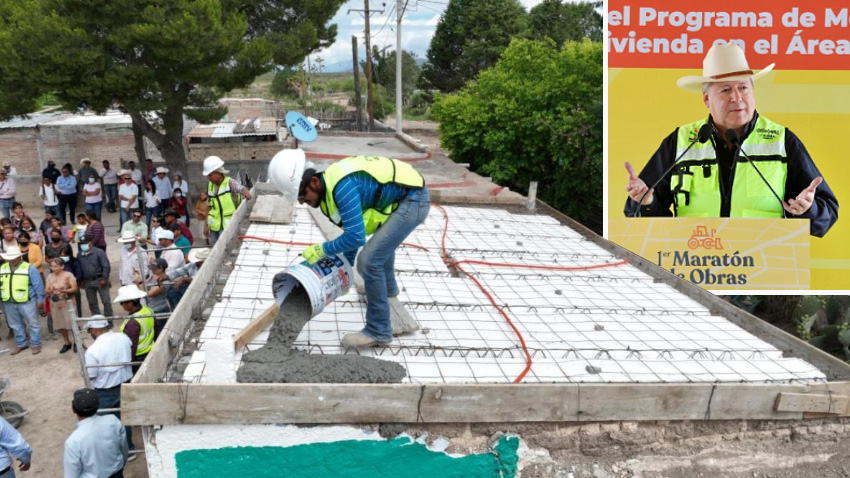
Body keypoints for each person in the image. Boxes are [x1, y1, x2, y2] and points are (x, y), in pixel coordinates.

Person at [623, 42, 839, 238]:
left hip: (761, 267)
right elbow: (640, 216)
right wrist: (646, 201)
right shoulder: (681, 140)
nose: (737, 97)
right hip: (693, 263)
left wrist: (807, 210)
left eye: (743, 88)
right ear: (707, 99)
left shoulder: (783, 141)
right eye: (726, 90)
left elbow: (826, 216)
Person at [269, 149, 430, 347]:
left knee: (369, 261)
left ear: (314, 182)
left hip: (413, 199)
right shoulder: (329, 190)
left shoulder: (342, 189)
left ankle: (378, 330)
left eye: (302, 195)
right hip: (404, 195)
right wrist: (343, 270)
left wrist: (322, 249)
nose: (302, 202)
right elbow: (351, 231)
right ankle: (387, 290)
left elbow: (355, 237)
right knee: (380, 248)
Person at [84, 317, 136, 456]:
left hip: (106, 391)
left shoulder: (93, 350)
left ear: (94, 330)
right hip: (126, 384)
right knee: (124, 419)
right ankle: (129, 449)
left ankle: (113, 453)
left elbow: (91, 374)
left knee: (105, 424)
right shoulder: (122, 337)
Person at [63, 388, 128, 478]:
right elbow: (124, 448)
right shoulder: (113, 421)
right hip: (117, 474)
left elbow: (71, 475)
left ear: (73, 409)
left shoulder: (73, 442)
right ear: (98, 405)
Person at [0, 245, 45, 355]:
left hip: (27, 300)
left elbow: (38, 285)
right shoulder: (2, 268)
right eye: (10, 258)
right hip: (8, 301)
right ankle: (21, 344)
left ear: (20, 257)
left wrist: (40, 299)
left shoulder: (30, 268)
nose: (12, 260)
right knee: (15, 324)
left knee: (33, 323)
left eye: (14, 257)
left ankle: (35, 343)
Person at [202, 156, 252, 245]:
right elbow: (209, 206)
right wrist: (206, 225)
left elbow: (241, 188)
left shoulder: (230, 183)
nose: (208, 178)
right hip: (214, 226)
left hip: (227, 226)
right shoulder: (210, 185)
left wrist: (245, 192)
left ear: (218, 173)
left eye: (210, 175)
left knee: (224, 247)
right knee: (214, 247)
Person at [112, 285, 154, 373]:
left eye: (122, 303)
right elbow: (155, 330)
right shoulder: (148, 310)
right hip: (150, 350)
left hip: (138, 356)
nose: (121, 306)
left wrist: (129, 363)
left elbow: (131, 346)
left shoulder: (133, 322)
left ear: (130, 303)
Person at [44, 257, 78, 353]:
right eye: (52, 266)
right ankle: (67, 342)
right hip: (55, 303)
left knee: (71, 322)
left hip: (67, 302)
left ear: (62, 266)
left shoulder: (68, 275)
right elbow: (46, 290)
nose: (53, 268)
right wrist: (49, 290)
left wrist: (64, 290)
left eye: (55, 266)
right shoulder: (50, 276)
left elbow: (74, 288)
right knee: (60, 324)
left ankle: (77, 342)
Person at [77, 237, 113, 317]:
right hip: (88, 281)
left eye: (85, 244)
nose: (83, 246)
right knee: (92, 303)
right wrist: (80, 280)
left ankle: (109, 320)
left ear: (91, 244)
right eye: (82, 244)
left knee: (106, 301)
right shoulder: (79, 255)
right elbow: (79, 268)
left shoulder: (99, 252)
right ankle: (97, 320)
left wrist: (104, 278)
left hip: (100, 279)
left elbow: (106, 266)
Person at [134, 258, 170, 336]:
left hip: (159, 310)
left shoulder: (165, 281)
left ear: (161, 269)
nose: (152, 270)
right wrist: (138, 278)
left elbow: (147, 294)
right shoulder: (152, 276)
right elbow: (143, 287)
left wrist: (140, 281)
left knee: (159, 335)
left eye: (154, 268)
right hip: (149, 309)